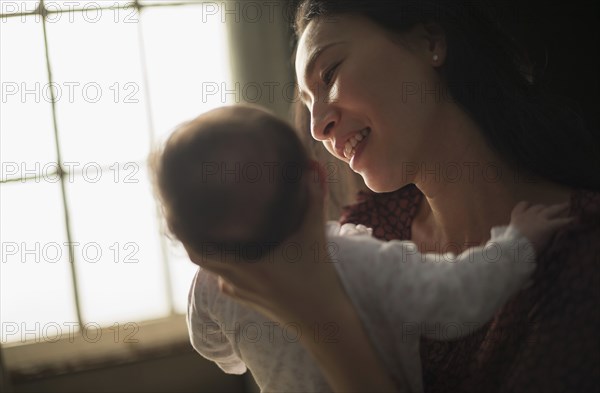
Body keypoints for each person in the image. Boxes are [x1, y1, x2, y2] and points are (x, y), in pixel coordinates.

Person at [191, 1, 600, 392]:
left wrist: (319, 322)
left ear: (430, 42)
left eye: (330, 73)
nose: (316, 126)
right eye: (308, 103)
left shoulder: (580, 251)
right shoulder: (369, 231)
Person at [151, 105, 573, 392]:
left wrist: (236, 356)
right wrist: (518, 243)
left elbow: (211, 345)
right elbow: (460, 293)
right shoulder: (362, 264)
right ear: (316, 178)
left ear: (194, 246)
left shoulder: (210, 290)